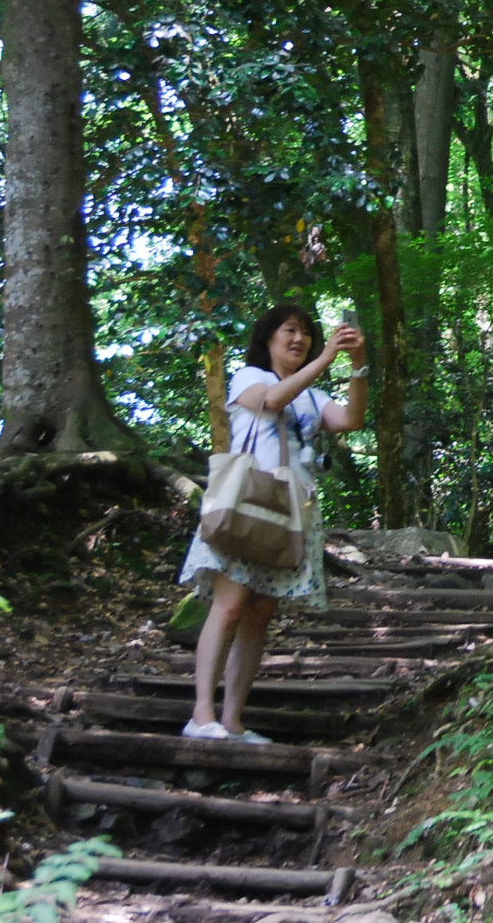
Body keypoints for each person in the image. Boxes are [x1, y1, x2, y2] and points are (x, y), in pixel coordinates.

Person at [177, 304, 367, 741]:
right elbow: (271, 401)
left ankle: (233, 722)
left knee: (259, 616)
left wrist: (358, 367)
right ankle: (201, 716)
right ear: (268, 338)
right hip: (247, 505)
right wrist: (326, 360)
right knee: (227, 608)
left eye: (306, 333)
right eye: (290, 330)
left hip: (291, 513)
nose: (299, 339)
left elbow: (351, 420)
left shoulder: (314, 396)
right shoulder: (250, 377)